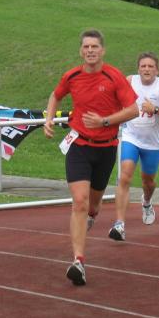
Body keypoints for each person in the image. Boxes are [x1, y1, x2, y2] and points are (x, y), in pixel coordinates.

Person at [43, 29, 138, 286]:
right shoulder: (72, 76)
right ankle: (78, 261)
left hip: (106, 148)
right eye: (86, 47)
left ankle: (93, 216)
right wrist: (49, 119)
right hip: (79, 146)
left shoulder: (114, 76)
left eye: (94, 46)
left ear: (102, 50)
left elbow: (134, 109)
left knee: (93, 206)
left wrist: (104, 121)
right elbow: (55, 95)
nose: (90, 51)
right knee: (79, 202)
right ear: (80, 51)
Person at [108, 52, 159, 241]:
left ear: (157, 70)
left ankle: (147, 201)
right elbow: (114, 100)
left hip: (152, 142)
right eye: (143, 66)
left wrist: (156, 109)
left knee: (148, 182)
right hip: (130, 137)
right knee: (125, 176)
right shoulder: (129, 81)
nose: (146, 69)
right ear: (138, 69)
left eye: (150, 66)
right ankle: (119, 224)